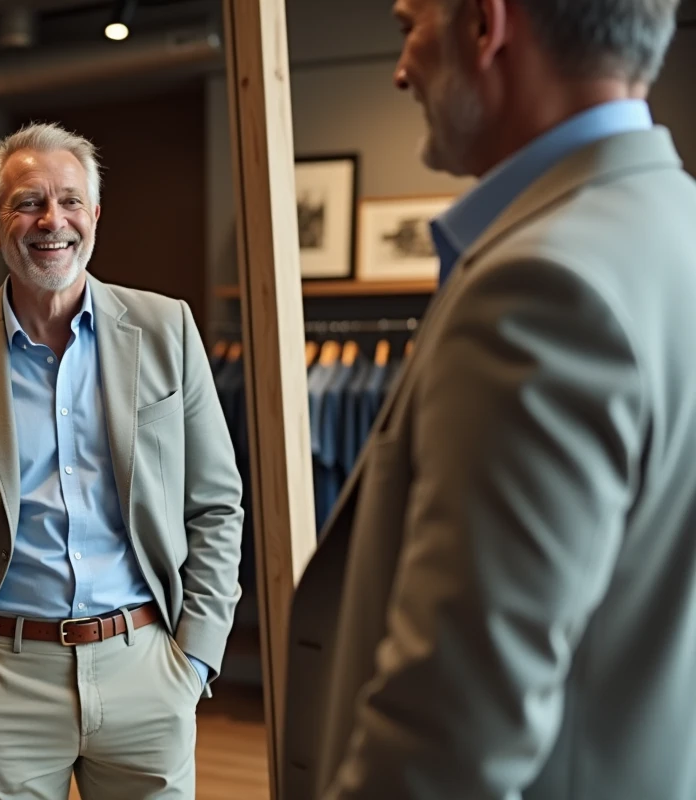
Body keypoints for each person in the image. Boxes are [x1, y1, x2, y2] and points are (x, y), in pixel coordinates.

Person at [285, 1, 696, 799]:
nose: (402, 70)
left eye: (408, 26)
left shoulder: (539, 288)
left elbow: (451, 733)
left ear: (485, 25)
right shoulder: (674, 228)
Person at [0, 121, 244, 798]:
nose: (52, 221)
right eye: (28, 203)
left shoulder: (168, 330)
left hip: (147, 666)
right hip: (0, 677)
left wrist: (196, 658)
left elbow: (215, 503)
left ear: (95, 216)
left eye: (70, 201)